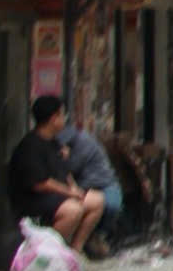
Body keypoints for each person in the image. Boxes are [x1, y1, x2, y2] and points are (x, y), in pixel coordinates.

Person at [7, 96, 105, 254]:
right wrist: (70, 193)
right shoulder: (30, 146)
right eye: (62, 115)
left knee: (96, 200)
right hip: (34, 199)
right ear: (54, 118)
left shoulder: (53, 142)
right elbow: (40, 183)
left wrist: (74, 187)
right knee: (73, 210)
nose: (64, 119)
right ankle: (45, 252)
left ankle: (75, 250)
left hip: (57, 194)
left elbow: (64, 170)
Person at [54, 111, 124, 259]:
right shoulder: (75, 139)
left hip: (100, 186)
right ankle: (80, 246)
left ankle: (84, 244)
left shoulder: (81, 143)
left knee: (105, 204)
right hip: (85, 187)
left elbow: (67, 169)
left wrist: (63, 159)